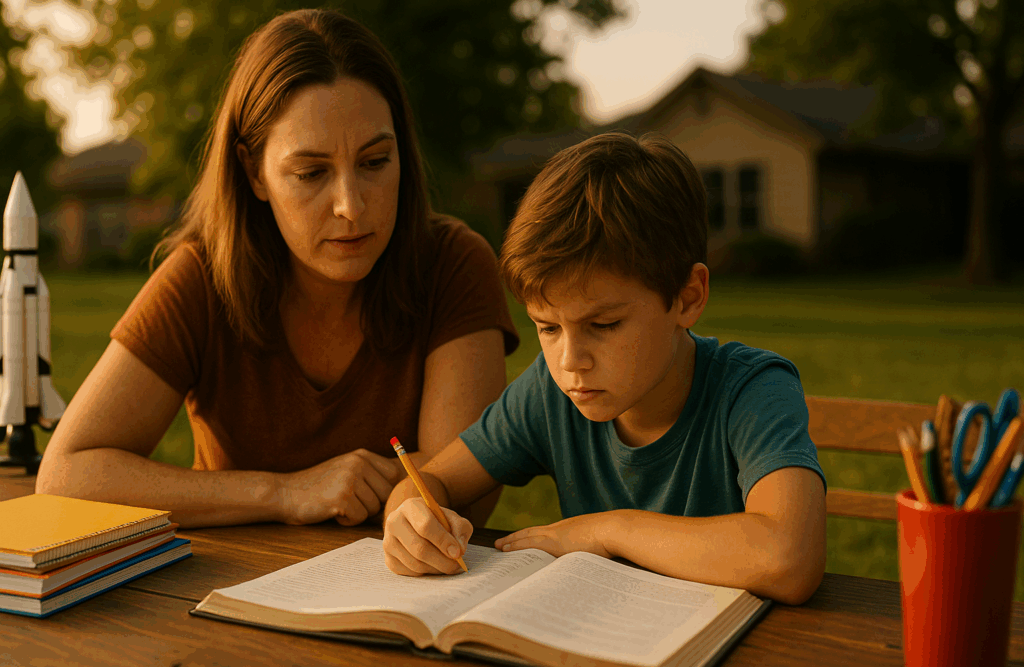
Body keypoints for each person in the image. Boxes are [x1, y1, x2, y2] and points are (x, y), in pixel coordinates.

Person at [36, 9, 518, 529]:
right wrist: (284, 492)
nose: (351, 206)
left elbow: (459, 488)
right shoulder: (204, 277)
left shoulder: (452, 263)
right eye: (311, 173)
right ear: (253, 171)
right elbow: (66, 476)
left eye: (375, 162)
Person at [381, 132, 827, 605]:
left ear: (687, 297)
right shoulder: (551, 394)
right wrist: (409, 515)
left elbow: (788, 556)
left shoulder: (753, 390)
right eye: (547, 328)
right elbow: (433, 479)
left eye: (604, 324)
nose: (570, 360)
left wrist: (607, 531)